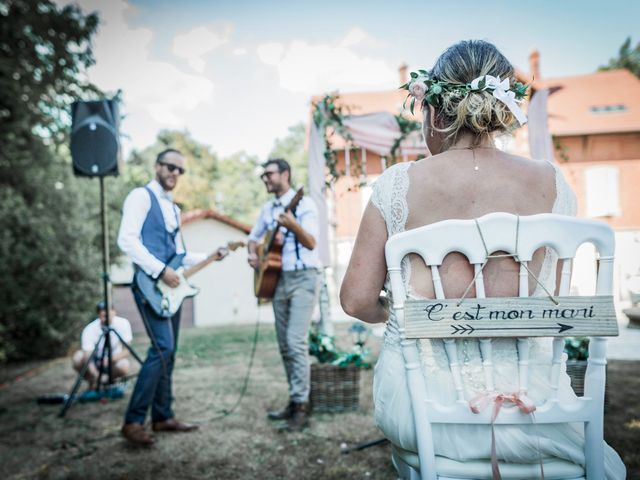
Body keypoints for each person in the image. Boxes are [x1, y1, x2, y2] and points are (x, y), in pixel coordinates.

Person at [340, 40, 625, 478]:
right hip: (541, 405)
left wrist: (400, 310)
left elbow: (357, 300)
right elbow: (555, 296)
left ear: (435, 111)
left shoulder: (398, 184)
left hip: (423, 408)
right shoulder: (551, 182)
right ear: (501, 110)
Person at [118, 148, 227, 446]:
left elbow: (178, 255)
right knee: (162, 348)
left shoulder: (174, 209)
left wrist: (209, 256)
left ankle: (163, 417)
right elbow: (126, 240)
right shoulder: (140, 197)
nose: (174, 173)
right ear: (157, 166)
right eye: (169, 167)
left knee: (170, 352)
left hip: (171, 289)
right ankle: (133, 421)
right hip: (150, 284)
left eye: (180, 170)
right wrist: (160, 270)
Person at [247, 158, 322, 431]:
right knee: (283, 345)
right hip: (276, 279)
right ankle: (294, 399)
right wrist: (253, 254)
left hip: (304, 276)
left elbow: (312, 242)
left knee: (295, 341)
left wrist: (292, 225)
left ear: (285, 174)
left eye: (269, 174)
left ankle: (302, 404)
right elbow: (253, 238)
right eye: (263, 175)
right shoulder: (267, 209)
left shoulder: (305, 204)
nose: (265, 179)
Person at [71, 301, 132, 389]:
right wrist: (97, 375)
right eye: (103, 316)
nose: (106, 319)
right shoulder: (90, 329)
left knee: (124, 365)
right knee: (78, 357)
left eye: (108, 315)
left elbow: (127, 351)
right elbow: (87, 356)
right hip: (96, 361)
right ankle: (93, 381)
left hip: (113, 360)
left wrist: (110, 359)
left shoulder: (123, 323)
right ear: (98, 315)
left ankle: (110, 380)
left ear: (114, 311)